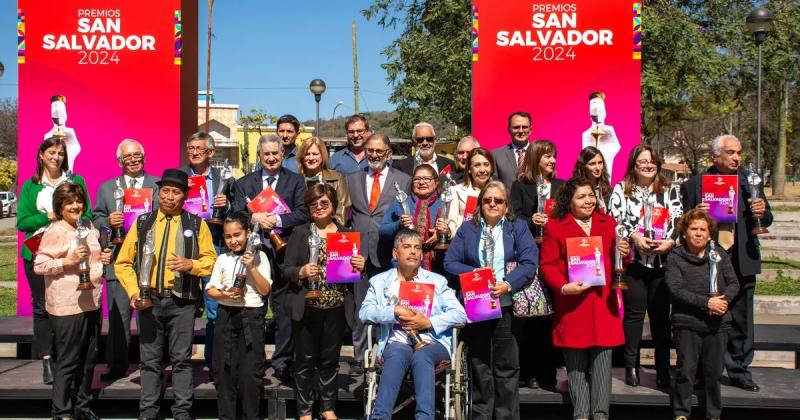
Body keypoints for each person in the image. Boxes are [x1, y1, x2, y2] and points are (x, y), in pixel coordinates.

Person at [115, 169, 217, 420]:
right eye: (166, 191)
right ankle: (148, 411)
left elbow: (211, 261)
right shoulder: (142, 222)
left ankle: (182, 411)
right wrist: (133, 291)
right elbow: (123, 263)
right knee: (149, 360)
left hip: (181, 301)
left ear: (184, 196)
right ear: (159, 193)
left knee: (181, 359)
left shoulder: (196, 224)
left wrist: (190, 265)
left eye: (176, 192)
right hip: (149, 301)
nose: (170, 196)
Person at [679, 134, 772, 392]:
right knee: (704, 318)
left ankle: (739, 371)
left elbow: (768, 218)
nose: (737, 158)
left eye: (739, 152)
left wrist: (762, 212)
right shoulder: (694, 184)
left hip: (741, 260)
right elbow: (681, 225)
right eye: (730, 153)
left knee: (741, 319)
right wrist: (694, 213)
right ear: (715, 157)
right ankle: (701, 371)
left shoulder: (749, 181)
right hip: (706, 261)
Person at [444, 180, 538, 420]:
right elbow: (450, 262)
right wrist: (476, 275)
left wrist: (507, 283)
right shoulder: (468, 229)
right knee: (480, 365)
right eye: (487, 200)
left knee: (506, 368)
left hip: (506, 306)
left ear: (506, 205)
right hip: (477, 307)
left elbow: (529, 262)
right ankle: (481, 415)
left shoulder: (518, 228)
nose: (492, 204)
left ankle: (506, 417)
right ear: (480, 204)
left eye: (498, 200)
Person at [539, 177, 629, 420]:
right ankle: (580, 415)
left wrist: (624, 254)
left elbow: (618, 263)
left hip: (603, 305)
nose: (589, 200)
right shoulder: (555, 227)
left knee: (602, 367)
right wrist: (564, 286)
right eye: (582, 196)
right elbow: (547, 265)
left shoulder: (608, 223)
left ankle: (600, 415)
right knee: (576, 370)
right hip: (572, 306)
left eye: (591, 195)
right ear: (569, 201)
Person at [360, 229, 467, 420]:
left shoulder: (437, 281)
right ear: (395, 253)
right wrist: (393, 312)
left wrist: (429, 322)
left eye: (417, 248)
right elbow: (365, 313)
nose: (413, 252)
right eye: (407, 247)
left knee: (422, 356)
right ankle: (380, 416)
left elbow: (460, 314)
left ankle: (425, 417)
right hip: (396, 341)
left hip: (432, 342)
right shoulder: (379, 282)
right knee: (397, 354)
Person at [281, 184, 366, 420]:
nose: (318, 207)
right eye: (313, 204)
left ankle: (328, 408)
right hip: (307, 306)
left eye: (324, 203)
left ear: (334, 206)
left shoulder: (346, 235)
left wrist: (360, 266)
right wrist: (300, 271)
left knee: (330, 362)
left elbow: (354, 274)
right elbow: (285, 270)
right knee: (305, 362)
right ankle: (305, 411)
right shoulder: (300, 233)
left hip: (336, 307)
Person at [232, 134, 309, 383]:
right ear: (259, 155)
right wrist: (253, 218)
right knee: (253, 306)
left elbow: (303, 213)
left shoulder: (296, 181)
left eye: (276, 153)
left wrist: (276, 220)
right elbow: (236, 213)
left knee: (283, 309)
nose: (272, 158)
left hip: (285, 251)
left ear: (282, 153)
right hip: (254, 252)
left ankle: (282, 361)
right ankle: (253, 360)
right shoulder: (245, 183)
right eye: (267, 154)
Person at [17, 136, 92, 384]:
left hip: (72, 252)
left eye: (60, 153)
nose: (55, 157)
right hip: (38, 253)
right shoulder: (31, 186)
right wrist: (48, 216)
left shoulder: (75, 181)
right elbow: (22, 223)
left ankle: (68, 359)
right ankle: (48, 360)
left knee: (68, 307)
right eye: (51, 152)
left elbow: (88, 212)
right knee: (41, 308)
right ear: (41, 155)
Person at [34, 182, 112, 420]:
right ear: (60, 207)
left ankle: (83, 407)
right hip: (67, 305)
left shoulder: (87, 226)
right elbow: (40, 266)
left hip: (91, 301)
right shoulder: (54, 231)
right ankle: (61, 412)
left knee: (88, 360)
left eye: (78, 201)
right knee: (68, 361)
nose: (75, 206)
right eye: (69, 202)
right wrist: (67, 261)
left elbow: (93, 258)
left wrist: (103, 258)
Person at [608, 145, 683, 388]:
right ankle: (631, 367)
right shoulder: (621, 189)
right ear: (633, 164)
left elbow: (678, 220)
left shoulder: (669, 189)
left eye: (652, 161)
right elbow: (615, 221)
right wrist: (634, 237)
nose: (648, 165)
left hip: (662, 264)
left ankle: (663, 369)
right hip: (635, 264)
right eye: (642, 161)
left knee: (661, 318)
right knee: (634, 317)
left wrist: (670, 241)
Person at [93, 138, 161, 382]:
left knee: (148, 319)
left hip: (149, 261)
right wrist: (107, 223)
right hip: (118, 260)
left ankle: (150, 367)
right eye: (127, 157)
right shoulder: (106, 188)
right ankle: (116, 365)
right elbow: (96, 218)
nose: (132, 160)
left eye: (137, 155)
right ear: (119, 161)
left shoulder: (157, 185)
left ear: (144, 157)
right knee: (118, 318)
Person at [346, 132, 412, 376]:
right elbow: (346, 218)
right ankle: (360, 358)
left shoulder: (403, 180)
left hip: (389, 253)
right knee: (361, 307)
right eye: (370, 150)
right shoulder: (352, 179)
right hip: (359, 254)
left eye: (379, 151)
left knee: (392, 305)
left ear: (389, 154)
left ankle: (388, 357)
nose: (373, 155)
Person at [667, 210, 739, 420]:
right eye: (693, 229)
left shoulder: (719, 255)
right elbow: (675, 290)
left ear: (709, 234)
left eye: (702, 230)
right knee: (685, 373)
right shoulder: (675, 257)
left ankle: (713, 415)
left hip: (717, 324)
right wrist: (707, 302)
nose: (698, 234)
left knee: (713, 374)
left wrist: (722, 302)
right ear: (684, 232)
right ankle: (681, 413)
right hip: (688, 324)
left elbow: (734, 283)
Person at [179, 131, 235, 378]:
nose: (193, 152)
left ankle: (214, 364)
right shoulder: (179, 177)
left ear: (210, 153)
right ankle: (180, 365)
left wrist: (227, 205)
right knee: (183, 306)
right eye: (190, 148)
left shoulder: (225, 177)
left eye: (198, 149)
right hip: (183, 247)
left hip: (215, 245)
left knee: (214, 307)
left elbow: (238, 209)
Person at [206, 212, 272, 420]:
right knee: (223, 373)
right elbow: (211, 289)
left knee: (249, 376)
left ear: (248, 233)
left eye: (237, 234)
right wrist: (223, 294)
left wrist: (251, 266)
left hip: (251, 316)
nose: (233, 240)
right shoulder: (222, 258)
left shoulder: (260, 257)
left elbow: (264, 290)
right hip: (226, 316)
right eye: (228, 236)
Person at [509, 139, 563, 390]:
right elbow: (514, 218)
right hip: (531, 258)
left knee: (552, 318)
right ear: (534, 159)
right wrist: (532, 219)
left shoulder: (562, 187)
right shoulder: (520, 187)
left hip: (557, 259)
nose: (551, 161)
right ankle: (529, 372)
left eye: (553, 156)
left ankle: (549, 371)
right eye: (546, 157)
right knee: (532, 317)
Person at [379, 164, 448, 272]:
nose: (421, 182)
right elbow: (382, 232)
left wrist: (442, 234)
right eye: (417, 179)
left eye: (427, 179)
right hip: (404, 267)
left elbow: (456, 232)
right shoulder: (401, 202)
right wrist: (399, 225)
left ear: (436, 182)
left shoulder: (444, 204)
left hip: (437, 266)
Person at [296, 136, 352, 224]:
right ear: (302, 157)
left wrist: (329, 229)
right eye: (307, 154)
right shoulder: (295, 180)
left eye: (315, 154)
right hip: (304, 233)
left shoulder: (337, 178)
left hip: (331, 231)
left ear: (322, 156)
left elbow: (343, 208)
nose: (311, 158)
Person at [445, 147, 494, 240]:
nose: (482, 170)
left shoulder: (500, 192)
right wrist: (448, 231)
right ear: (469, 169)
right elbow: (452, 222)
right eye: (477, 165)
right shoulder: (456, 190)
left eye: (486, 165)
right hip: (463, 243)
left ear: (491, 168)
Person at [492, 111, 533, 189]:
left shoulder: (540, 153)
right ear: (509, 129)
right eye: (516, 127)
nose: (521, 131)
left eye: (524, 127)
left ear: (530, 129)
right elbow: (494, 185)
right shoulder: (496, 155)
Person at [572, 146, 612, 210]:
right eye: (592, 164)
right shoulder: (574, 189)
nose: (598, 168)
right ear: (583, 166)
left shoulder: (608, 190)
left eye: (600, 163)